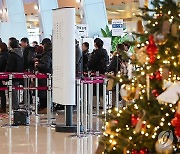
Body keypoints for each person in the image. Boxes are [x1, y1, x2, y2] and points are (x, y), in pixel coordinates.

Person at [6, 37, 24, 110]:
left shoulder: (12, 55)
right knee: (15, 91)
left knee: (13, 92)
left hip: (12, 75)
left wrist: (6, 76)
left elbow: (9, 66)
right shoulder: (21, 53)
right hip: (19, 74)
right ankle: (16, 105)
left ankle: (15, 106)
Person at [35, 42, 52, 114]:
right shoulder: (49, 55)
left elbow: (45, 66)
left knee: (43, 92)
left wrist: (37, 65)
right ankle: (44, 107)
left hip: (44, 77)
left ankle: (44, 107)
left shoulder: (46, 56)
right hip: (47, 77)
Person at [0, 43, 9, 113]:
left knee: (2, 92)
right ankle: (3, 106)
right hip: (5, 76)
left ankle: (3, 107)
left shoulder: (2, 56)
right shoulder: (8, 55)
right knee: (3, 92)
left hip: (1, 76)